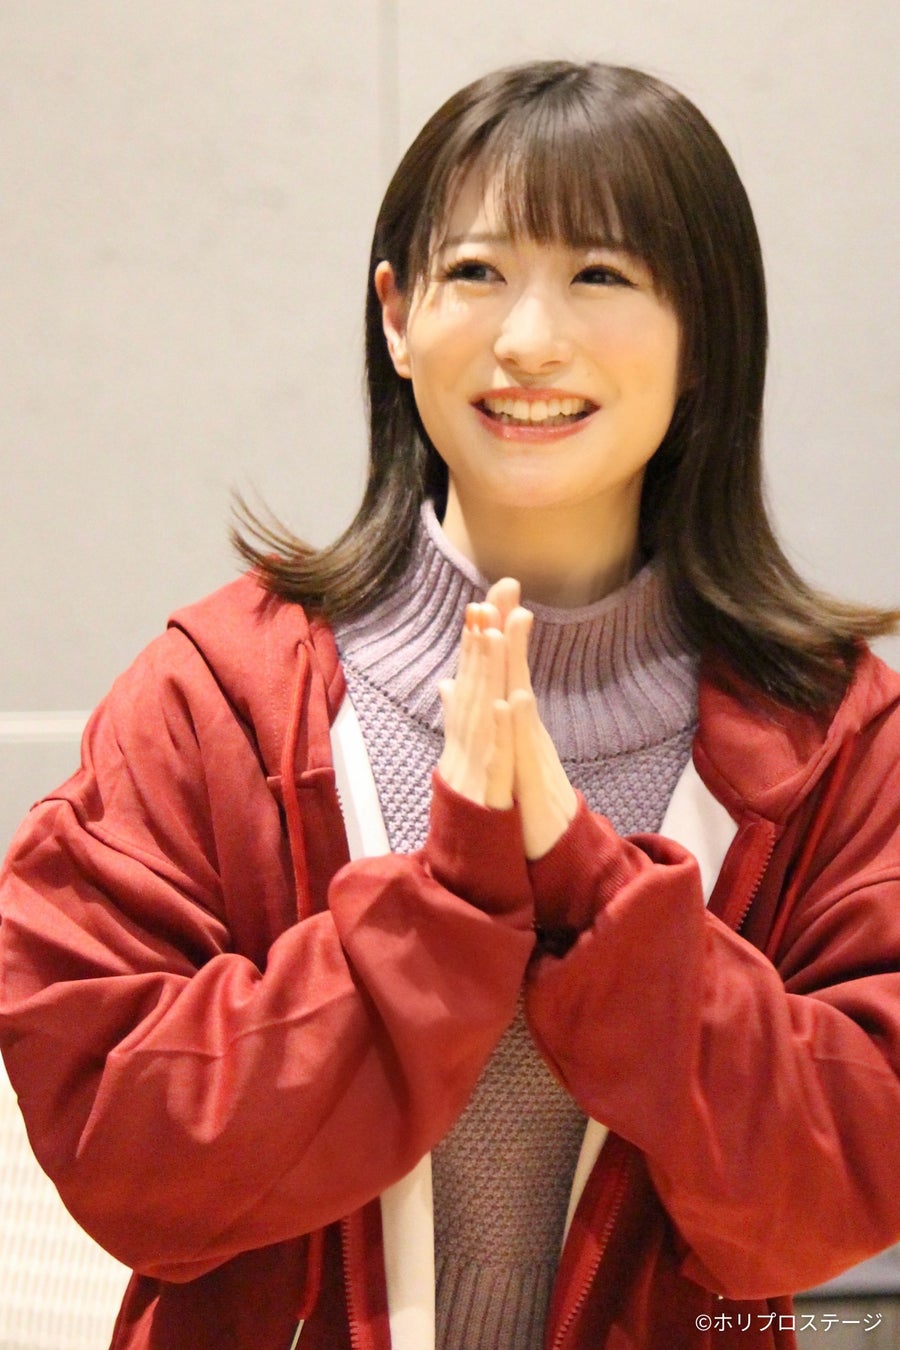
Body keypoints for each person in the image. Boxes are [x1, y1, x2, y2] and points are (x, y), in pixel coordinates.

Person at [1, 59, 899, 1350]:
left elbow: (837, 1183)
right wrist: (454, 903)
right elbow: (120, 1145)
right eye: (476, 272)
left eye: (601, 274)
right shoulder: (221, 693)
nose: (529, 340)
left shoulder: (835, 735)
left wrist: (589, 885)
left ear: (704, 329)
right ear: (396, 316)